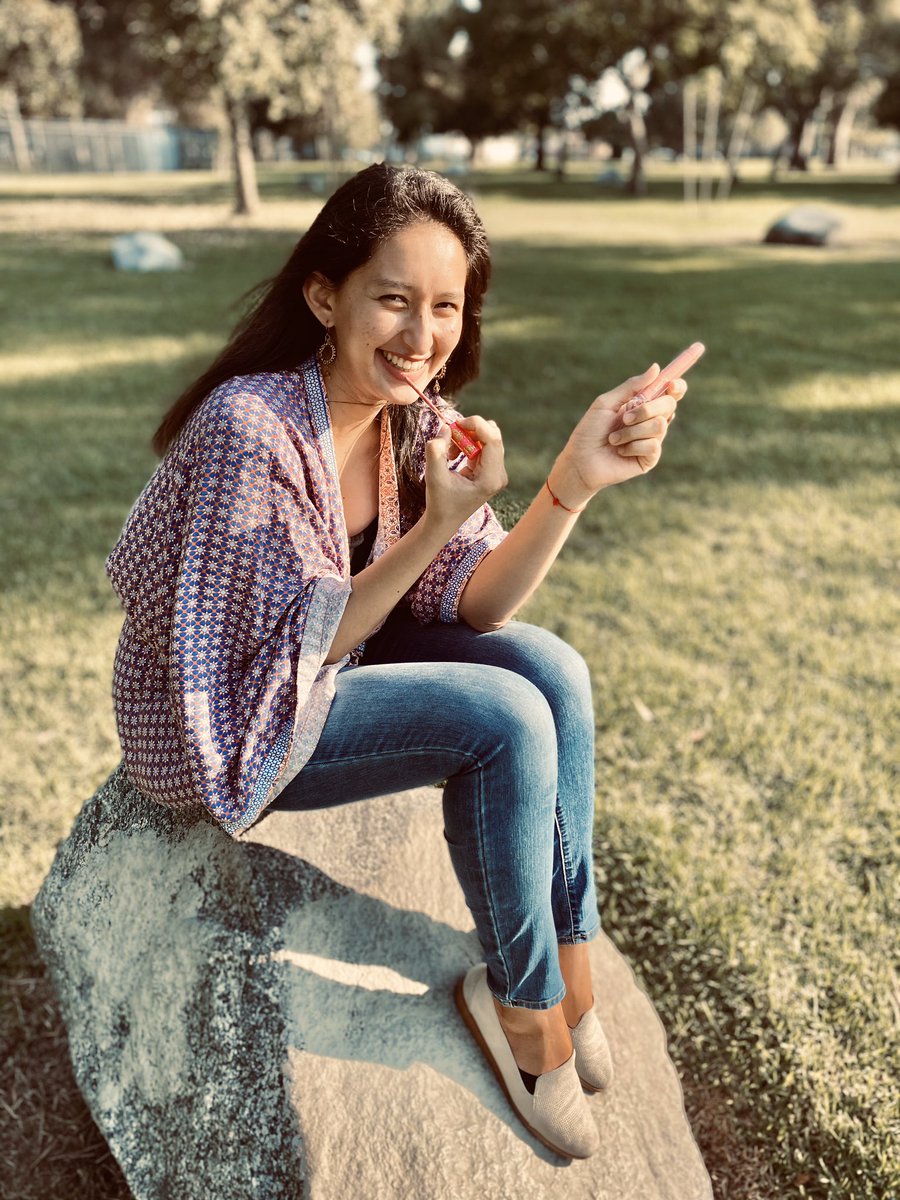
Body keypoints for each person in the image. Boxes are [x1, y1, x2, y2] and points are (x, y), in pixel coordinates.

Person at [106, 163, 686, 1160]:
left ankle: (567, 968)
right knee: (501, 721)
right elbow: (294, 645)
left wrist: (573, 481)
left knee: (551, 672)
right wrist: (436, 528)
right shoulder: (253, 427)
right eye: (395, 300)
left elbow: (476, 601)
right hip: (229, 719)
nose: (424, 336)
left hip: (331, 664)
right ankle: (526, 1015)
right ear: (325, 296)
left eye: (448, 306)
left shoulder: (408, 416)